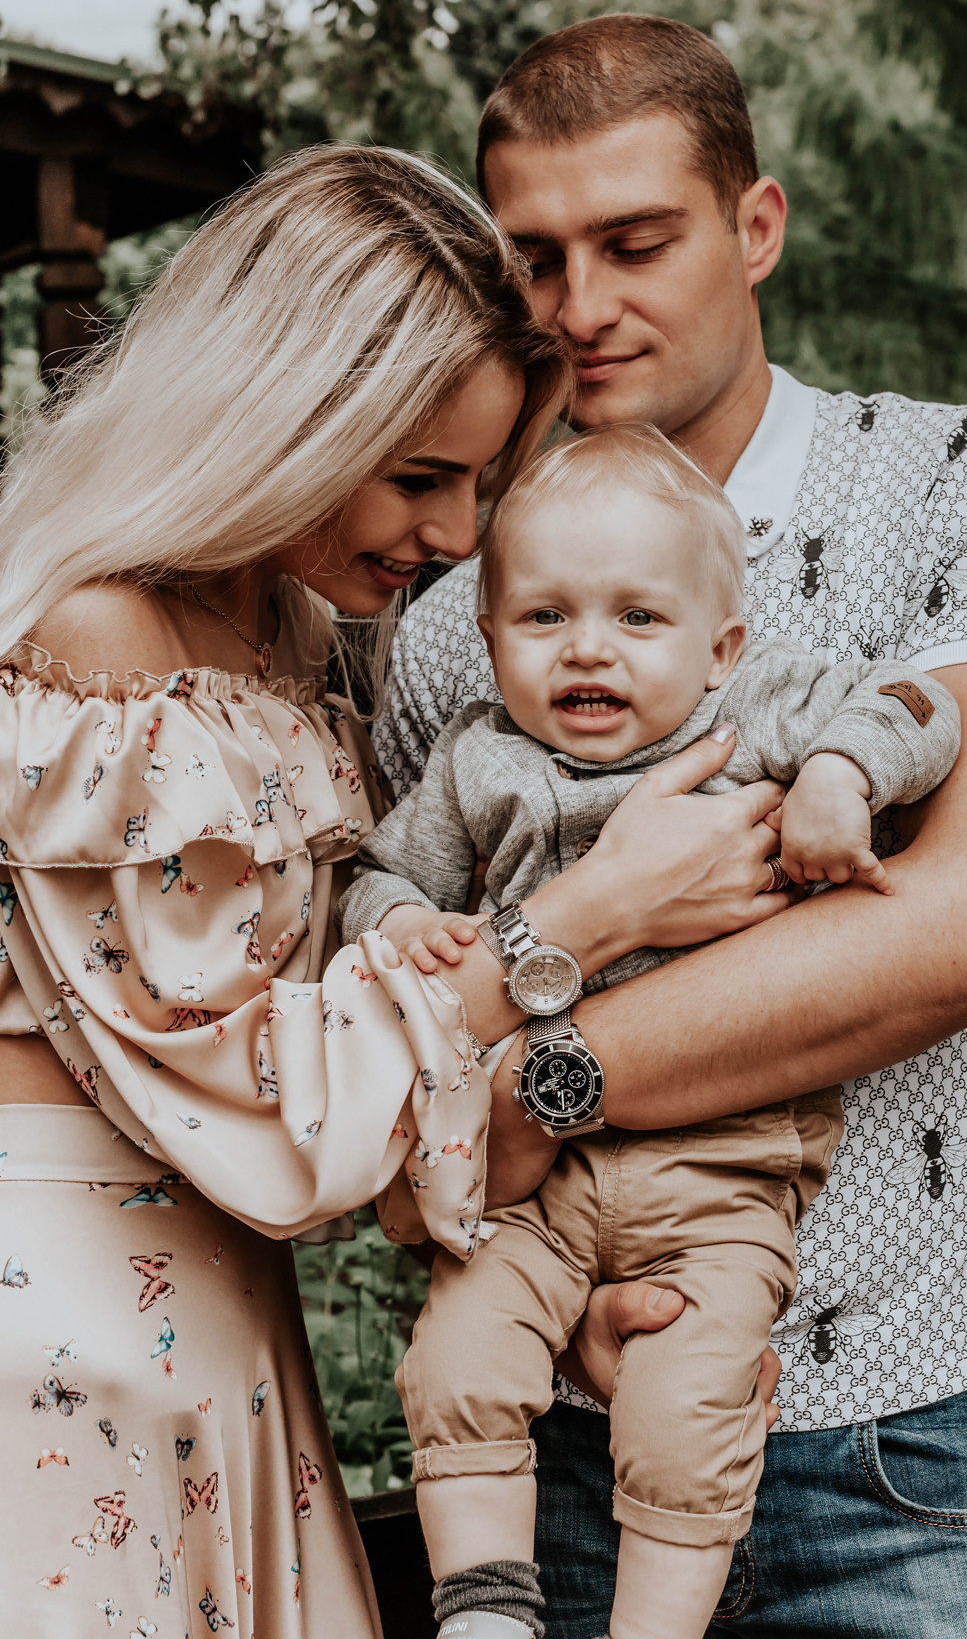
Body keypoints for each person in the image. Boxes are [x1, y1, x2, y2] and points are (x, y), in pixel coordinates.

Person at [372, 15, 967, 1638]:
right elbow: (404, 1010)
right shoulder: (452, 623)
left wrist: (540, 1089)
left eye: (635, 243)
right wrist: (540, 1269)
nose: (581, 308)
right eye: (537, 259)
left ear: (753, 225)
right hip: (579, 1442)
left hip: (926, 1445)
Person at [0, 144, 790, 1638]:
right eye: (422, 475)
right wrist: (586, 916)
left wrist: (562, 1287)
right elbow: (255, 1092)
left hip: (217, 1320)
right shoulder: (98, 640)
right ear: (281, 419)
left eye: (484, 480)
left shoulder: (285, 636)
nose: (456, 534)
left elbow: (349, 1077)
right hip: (64, 1335)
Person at [339, 423, 960, 1639]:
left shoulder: (758, 703)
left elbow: (917, 700)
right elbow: (374, 876)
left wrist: (841, 771)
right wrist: (402, 916)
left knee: (689, 1409)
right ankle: (482, 1608)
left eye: (636, 618)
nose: (587, 649)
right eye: (544, 617)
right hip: (530, 1181)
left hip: (721, 1172)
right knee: (456, 1364)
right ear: (487, 635)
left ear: (718, 641)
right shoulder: (476, 762)